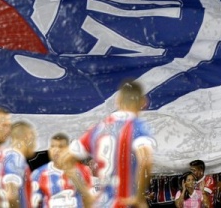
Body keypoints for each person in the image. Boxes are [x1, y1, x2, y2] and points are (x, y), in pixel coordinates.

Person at [63, 80, 155, 208]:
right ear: (143, 102)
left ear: (118, 101)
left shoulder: (98, 128)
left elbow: (66, 160)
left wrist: (86, 193)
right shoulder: (136, 126)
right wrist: (139, 197)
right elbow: (146, 161)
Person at [32, 133, 94, 208]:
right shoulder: (38, 174)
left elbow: (91, 200)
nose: (56, 150)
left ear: (69, 150)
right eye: (52, 146)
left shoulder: (83, 171)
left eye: (61, 147)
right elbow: (33, 203)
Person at [0, 122, 36, 208]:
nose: (35, 144)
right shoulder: (15, 158)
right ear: (28, 137)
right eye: (34, 139)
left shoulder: (0, 157)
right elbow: (11, 195)